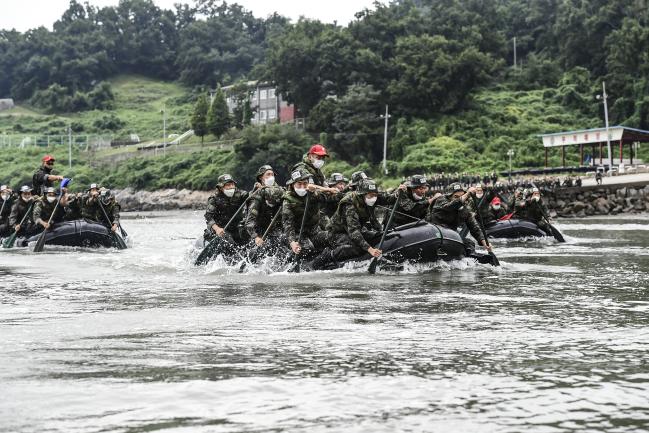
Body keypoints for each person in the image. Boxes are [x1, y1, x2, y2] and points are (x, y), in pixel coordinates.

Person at [312, 179, 399, 269]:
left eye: (375, 195)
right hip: (337, 233)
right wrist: (370, 249)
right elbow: (354, 232)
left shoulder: (371, 197)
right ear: (362, 195)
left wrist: (397, 194)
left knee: (377, 236)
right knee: (357, 248)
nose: (374, 198)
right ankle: (328, 255)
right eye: (371, 195)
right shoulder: (350, 204)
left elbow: (388, 199)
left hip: (355, 230)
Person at [281, 168, 337, 259]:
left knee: (334, 237)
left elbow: (332, 194)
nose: (302, 187)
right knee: (307, 248)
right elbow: (288, 224)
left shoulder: (313, 194)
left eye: (305, 183)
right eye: (299, 184)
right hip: (298, 234)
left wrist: (317, 189)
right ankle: (289, 259)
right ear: (292, 185)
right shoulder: (288, 201)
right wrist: (292, 242)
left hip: (314, 232)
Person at [427, 183, 493, 255]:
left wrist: (485, 243)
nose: (459, 198)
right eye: (456, 196)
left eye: (461, 196)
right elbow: (451, 206)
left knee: (469, 243)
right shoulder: (441, 200)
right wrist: (467, 194)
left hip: (450, 236)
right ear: (449, 197)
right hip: (434, 234)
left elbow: (474, 227)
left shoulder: (464, 210)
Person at [244, 165, 285, 249]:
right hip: (260, 232)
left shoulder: (281, 191)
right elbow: (249, 222)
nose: (271, 177)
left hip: (277, 230)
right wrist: (256, 237)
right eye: (268, 174)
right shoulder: (256, 196)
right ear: (261, 178)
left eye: (272, 175)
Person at [204, 174, 249, 244]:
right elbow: (208, 216)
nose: (231, 187)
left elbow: (250, 196)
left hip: (236, 228)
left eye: (232, 184)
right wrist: (217, 229)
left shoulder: (240, 194)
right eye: (228, 185)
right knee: (228, 243)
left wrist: (257, 189)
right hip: (220, 228)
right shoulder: (214, 199)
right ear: (221, 187)